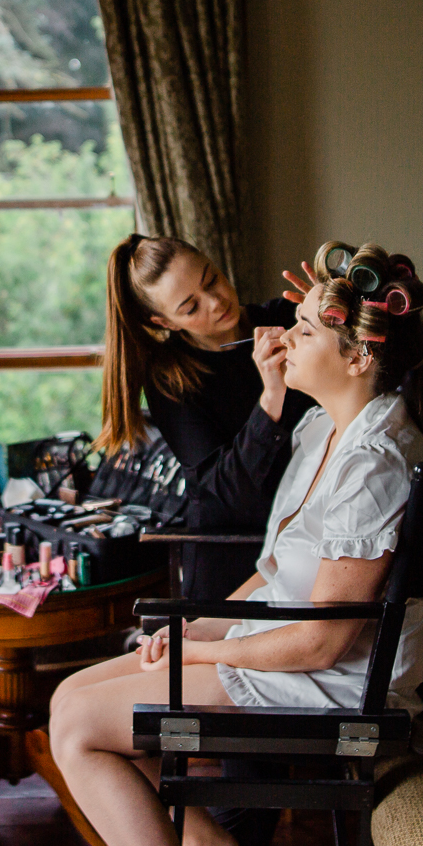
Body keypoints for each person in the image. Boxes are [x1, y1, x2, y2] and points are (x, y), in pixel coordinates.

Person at [52, 242, 423, 846]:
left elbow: (322, 643)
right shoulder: (318, 432)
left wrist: (205, 647)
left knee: (78, 729)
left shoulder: (376, 461)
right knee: (69, 696)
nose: (283, 335)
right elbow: (270, 573)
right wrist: (189, 626)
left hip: (332, 680)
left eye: (303, 330)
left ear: (359, 356)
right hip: (294, 646)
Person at [95, 233, 315, 601]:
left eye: (210, 279)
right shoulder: (170, 378)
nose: (216, 302)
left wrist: (342, 309)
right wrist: (271, 397)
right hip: (234, 555)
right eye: (190, 307)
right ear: (164, 322)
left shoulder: (286, 317)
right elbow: (225, 493)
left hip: (314, 533)